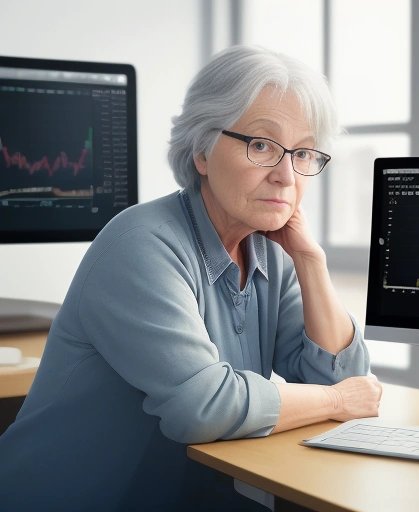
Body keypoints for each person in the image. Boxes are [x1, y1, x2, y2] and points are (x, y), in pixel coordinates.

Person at [0, 45, 381, 511]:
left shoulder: (269, 249)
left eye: (302, 153)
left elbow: (341, 375)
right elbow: (204, 409)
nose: (286, 175)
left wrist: (310, 259)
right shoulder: (141, 244)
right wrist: (337, 401)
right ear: (201, 150)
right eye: (262, 145)